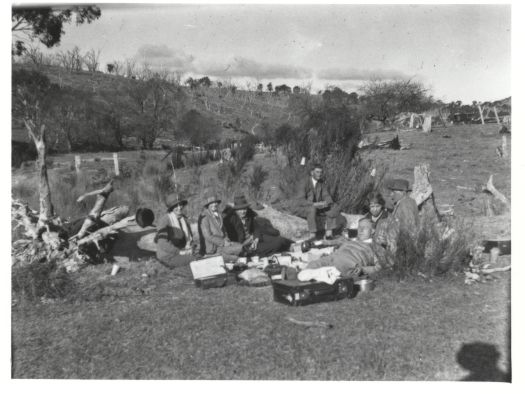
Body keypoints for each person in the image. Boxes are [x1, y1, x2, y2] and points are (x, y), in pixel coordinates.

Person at [303, 218, 386, 276]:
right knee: (312, 265)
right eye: (359, 227)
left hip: (349, 262)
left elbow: (380, 266)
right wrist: (315, 244)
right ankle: (323, 274)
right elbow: (330, 242)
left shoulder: (375, 246)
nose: (361, 230)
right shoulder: (350, 240)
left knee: (340, 266)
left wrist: (363, 269)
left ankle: (325, 274)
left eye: (365, 228)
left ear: (372, 231)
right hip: (332, 257)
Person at [223, 195, 292, 257]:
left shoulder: (249, 214)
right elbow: (233, 240)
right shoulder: (230, 220)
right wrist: (247, 243)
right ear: (235, 210)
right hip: (245, 245)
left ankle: (294, 245)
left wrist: (256, 239)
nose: (243, 211)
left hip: (255, 238)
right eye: (240, 209)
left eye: (244, 209)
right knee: (277, 244)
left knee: (280, 239)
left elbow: (256, 228)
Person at [296, 162, 345, 240]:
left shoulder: (321, 183)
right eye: (317, 172)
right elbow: (300, 200)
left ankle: (329, 234)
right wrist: (314, 204)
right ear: (312, 172)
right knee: (311, 209)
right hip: (304, 207)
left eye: (321, 172)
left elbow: (326, 195)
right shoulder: (304, 182)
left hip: (317, 207)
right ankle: (312, 235)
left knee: (333, 207)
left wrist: (328, 203)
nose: (320, 174)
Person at [154, 193, 197, 272]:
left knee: (199, 255)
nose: (179, 207)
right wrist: (180, 252)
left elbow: (190, 237)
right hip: (167, 256)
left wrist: (191, 246)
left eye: (180, 205)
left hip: (182, 250)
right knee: (194, 259)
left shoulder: (184, 219)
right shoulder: (165, 220)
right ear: (171, 208)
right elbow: (162, 243)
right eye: (176, 206)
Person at [198, 194, 243, 260]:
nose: (214, 204)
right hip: (213, 248)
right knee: (238, 253)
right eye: (212, 203)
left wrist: (227, 240)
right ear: (208, 205)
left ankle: (226, 256)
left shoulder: (219, 215)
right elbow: (208, 236)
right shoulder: (205, 218)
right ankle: (217, 256)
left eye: (216, 202)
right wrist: (223, 243)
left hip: (223, 245)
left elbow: (224, 232)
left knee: (241, 247)